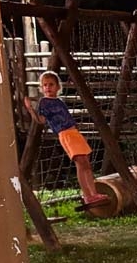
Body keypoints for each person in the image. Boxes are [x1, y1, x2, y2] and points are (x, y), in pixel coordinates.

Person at [23, 70, 107, 208]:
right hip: (66, 134)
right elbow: (41, 120)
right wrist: (30, 109)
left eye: (51, 84)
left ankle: (94, 193)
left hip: (74, 132)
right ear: (41, 87)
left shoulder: (58, 101)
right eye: (45, 85)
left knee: (86, 163)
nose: (48, 87)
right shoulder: (44, 102)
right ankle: (88, 195)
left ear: (57, 87)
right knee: (80, 163)